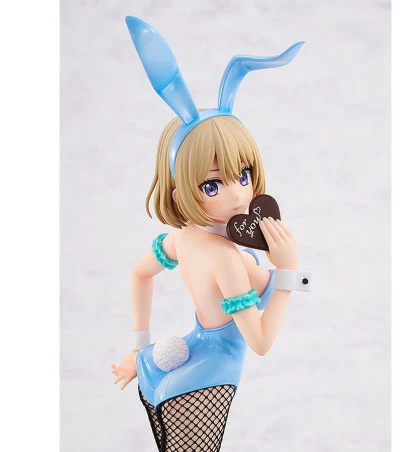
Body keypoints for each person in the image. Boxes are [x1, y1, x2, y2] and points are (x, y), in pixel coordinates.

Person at [112, 17, 305, 451]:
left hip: (191, 350)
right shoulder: (225, 258)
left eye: (243, 174)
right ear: (180, 190)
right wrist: (288, 275)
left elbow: (139, 274)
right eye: (212, 185)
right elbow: (260, 342)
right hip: (213, 371)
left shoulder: (182, 238)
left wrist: (139, 348)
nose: (237, 195)